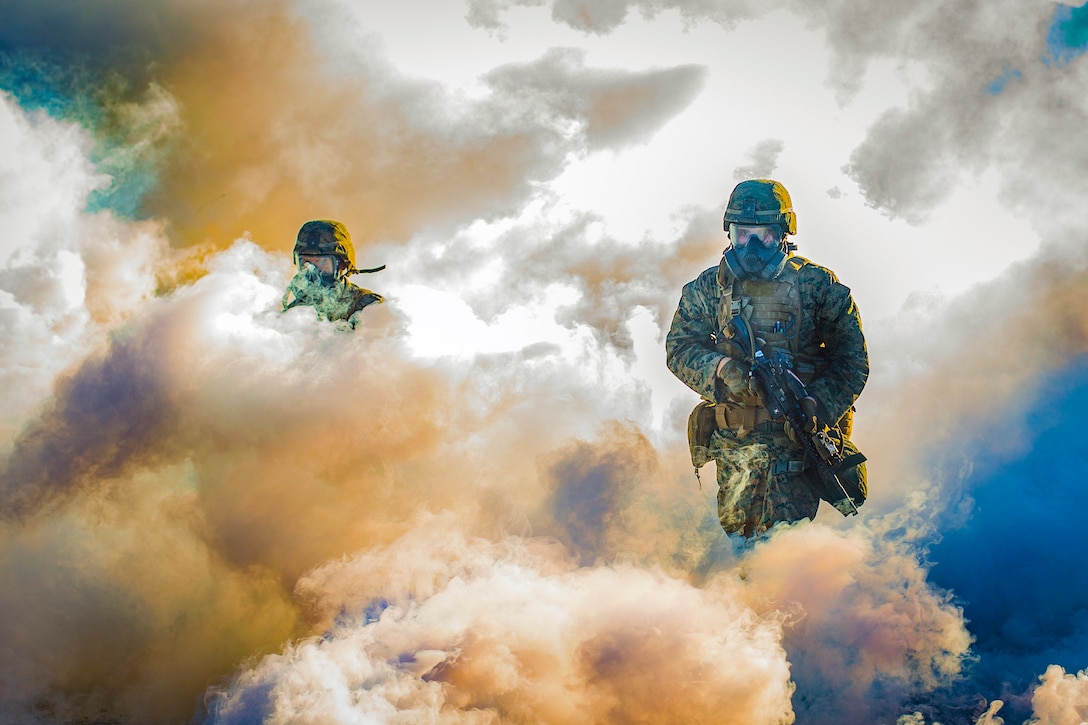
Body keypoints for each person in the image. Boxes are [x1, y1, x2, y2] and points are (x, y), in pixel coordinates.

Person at [666, 179, 869, 538]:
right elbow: (680, 347)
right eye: (743, 235)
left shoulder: (818, 286)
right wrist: (722, 369)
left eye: (764, 235)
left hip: (796, 454)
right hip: (736, 453)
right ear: (729, 233)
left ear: (784, 234)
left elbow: (851, 362)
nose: (753, 247)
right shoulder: (708, 288)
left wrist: (816, 403)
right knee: (740, 554)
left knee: (787, 560)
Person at [282, 219, 385, 326]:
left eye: (320, 261)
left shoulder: (367, 306)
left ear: (342, 264)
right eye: (305, 262)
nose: (311, 269)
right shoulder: (295, 312)